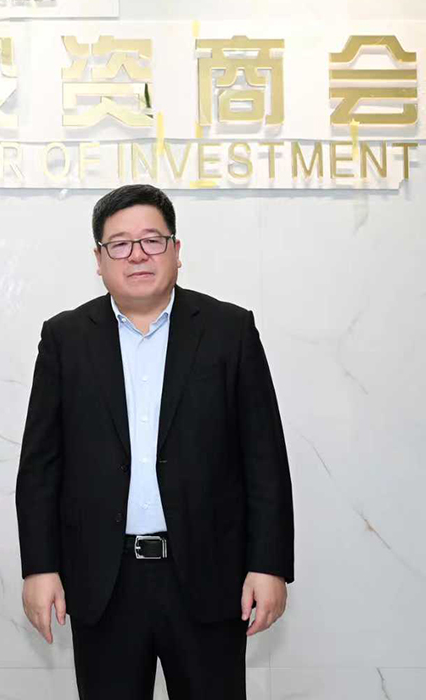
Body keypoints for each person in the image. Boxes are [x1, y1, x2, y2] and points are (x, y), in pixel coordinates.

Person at [15, 184, 294, 699]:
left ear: (176, 251)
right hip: (104, 580)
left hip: (210, 577)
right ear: (99, 260)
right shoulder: (65, 338)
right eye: (119, 244)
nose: (137, 254)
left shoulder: (229, 330)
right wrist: (39, 567)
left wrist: (269, 564)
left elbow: (264, 459)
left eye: (152, 240)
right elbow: (40, 466)